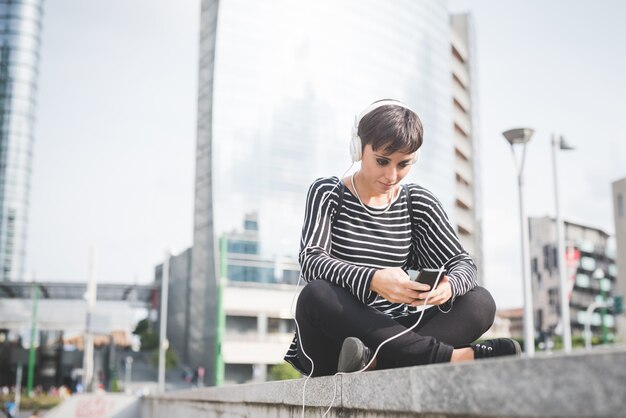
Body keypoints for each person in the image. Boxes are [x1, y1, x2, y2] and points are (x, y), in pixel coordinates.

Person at [284, 99, 521, 377]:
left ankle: (378, 363)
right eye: (382, 161)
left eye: (403, 164)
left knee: (479, 301)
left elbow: (463, 264)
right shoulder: (328, 193)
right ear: (359, 149)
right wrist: (373, 279)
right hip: (336, 344)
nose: (391, 175)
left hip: (398, 331)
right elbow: (312, 259)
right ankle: (450, 358)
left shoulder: (416, 203)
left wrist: (448, 288)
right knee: (315, 294)